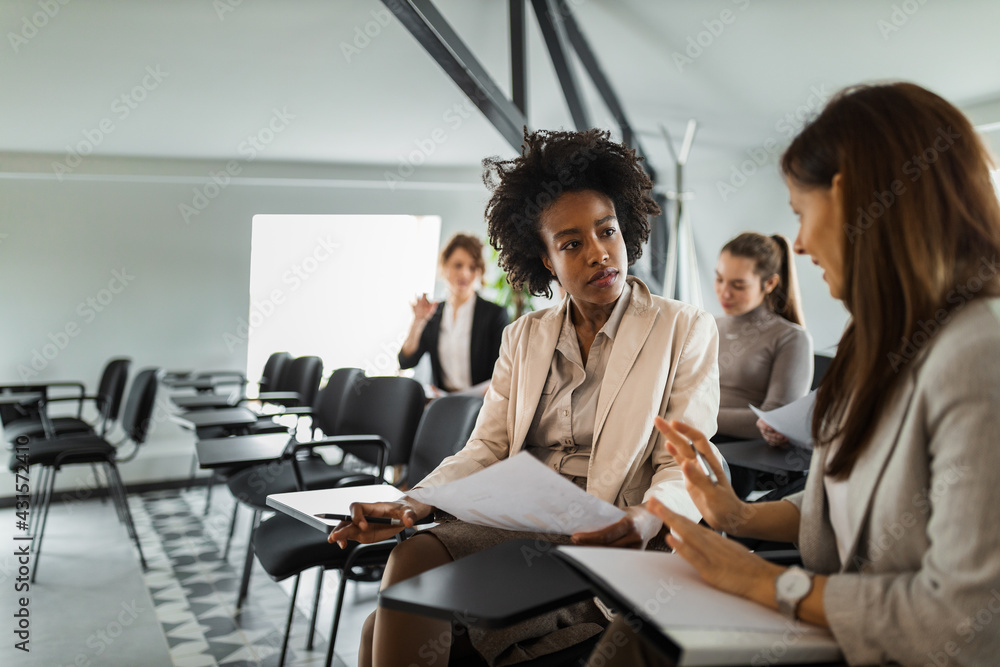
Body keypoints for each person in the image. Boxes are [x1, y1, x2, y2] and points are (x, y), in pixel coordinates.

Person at [591, 82, 1000, 666]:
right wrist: (738, 515)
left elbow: (965, 625)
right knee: (633, 629)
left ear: (858, 199)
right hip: (841, 617)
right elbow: (845, 498)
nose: (802, 243)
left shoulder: (981, 352)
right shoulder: (875, 343)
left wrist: (765, 582)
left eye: (803, 214)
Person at [331, 128, 722, 667]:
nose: (598, 254)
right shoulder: (525, 336)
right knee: (413, 550)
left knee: (383, 624)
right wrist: (411, 502)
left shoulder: (685, 328)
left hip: (612, 532)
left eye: (607, 231)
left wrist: (644, 521)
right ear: (545, 260)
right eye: (571, 244)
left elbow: (686, 466)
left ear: (625, 229)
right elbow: (486, 447)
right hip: (518, 523)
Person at [714, 232, 813, 446]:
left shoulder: (791, 338)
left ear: (769, 283)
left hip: (740, 455)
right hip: (692, 439)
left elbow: (774, 421)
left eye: (738, 285)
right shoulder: (708, 325)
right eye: (720, 279)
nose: (724, 292)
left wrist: (690, 416)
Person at [398, 233, 509, 395]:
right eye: (458, 265)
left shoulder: (495, 314)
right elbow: (406, 361)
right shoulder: (433, 313)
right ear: (444, 267)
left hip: (484, 404)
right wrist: (418, 322)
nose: (465, 273)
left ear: (479, 272)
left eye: (472, 267)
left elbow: (504, 370)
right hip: (443, 403)